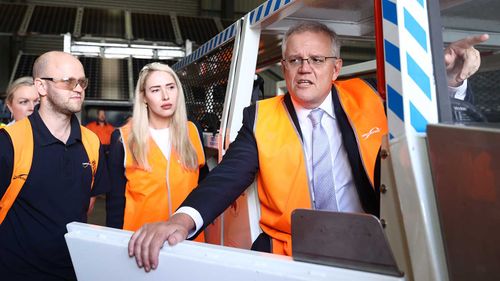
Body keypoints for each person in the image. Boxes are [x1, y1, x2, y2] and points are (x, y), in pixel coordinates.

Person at [128, 22, 487, 272]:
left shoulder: (369, 98)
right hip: (287, 251)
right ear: (283, 68)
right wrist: (180, 220)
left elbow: (428, 129)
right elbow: (226, 177)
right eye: (295, 60)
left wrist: (451, 82)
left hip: (370, 246)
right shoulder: (260, 117)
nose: (305, 69)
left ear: (335, 68)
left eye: (316, 60)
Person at [0, 51, 110, 280]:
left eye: (82, 82)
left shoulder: (91, 142)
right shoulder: (9, 141)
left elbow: (87, 205)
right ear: (41, 86)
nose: (78, 88)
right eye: (68, 81)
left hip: (74, 271)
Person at [106, 62, 207, 242]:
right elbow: (115, 203)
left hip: (188, 243)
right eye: (155, 90)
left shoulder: (193, 131)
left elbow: (205, 189)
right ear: (144, 97)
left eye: (170, 87)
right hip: (140, 245)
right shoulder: (122, 138)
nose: (166, 96)